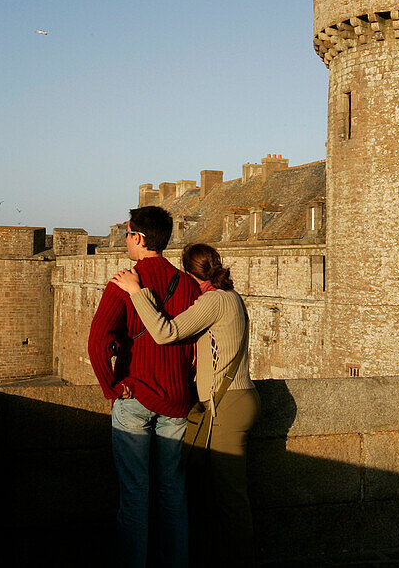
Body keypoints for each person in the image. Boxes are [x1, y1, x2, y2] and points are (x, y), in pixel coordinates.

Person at [112, 242, 260, 567]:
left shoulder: (214, 300)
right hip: (233, 400)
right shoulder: (231, 297)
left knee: (229, 496)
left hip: (227, 405)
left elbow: (166, 332)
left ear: (190, 273)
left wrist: (137, 291)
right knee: (211, 489)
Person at [87, 206, 200, 568]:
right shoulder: (186, 284)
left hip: (136, 394)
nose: (125, 240)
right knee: (173, 493)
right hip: (178, 399)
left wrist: (110, 386)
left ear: (138, 237)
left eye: (127, 234)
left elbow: (96, 340)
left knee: (135, 494)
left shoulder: (125, 280)